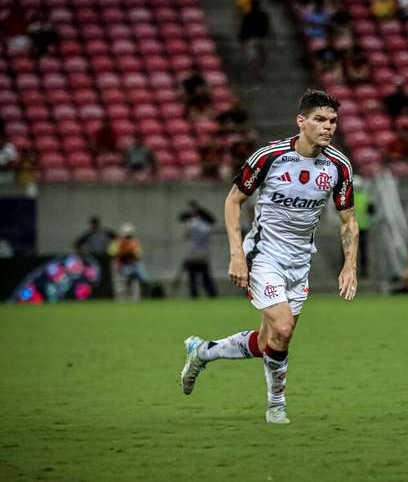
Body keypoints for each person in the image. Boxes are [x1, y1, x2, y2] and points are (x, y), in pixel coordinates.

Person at [179, 90, 359, 425]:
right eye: (320, 119)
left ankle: (202, 351)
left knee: (270, 341)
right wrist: (237, 255)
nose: (328, 127)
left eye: (333, 121)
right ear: (301, 121)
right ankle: (276, 405)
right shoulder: (270, 156)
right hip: (264, 256)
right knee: (285, 327)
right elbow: (233, 201)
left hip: (299, 263)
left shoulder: (339, 166)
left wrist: (350, 265)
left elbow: (349, 220)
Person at [179, 204, 217, 298]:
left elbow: (185, 236)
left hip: (192, 256)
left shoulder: (190, 224)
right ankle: (212, 294)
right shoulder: (206, 226)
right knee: (206, 278)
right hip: (203, 256)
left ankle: (194, 295)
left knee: (193, 279)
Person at [108, 222, 146, 301]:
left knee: (135, 283)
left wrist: (131, 252)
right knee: (120, 284)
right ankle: (121, 299)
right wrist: (122, 250)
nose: (128, 237)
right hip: (120, 265)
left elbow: (139, 254)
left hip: (131, 265)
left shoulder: (134, 242)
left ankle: (135, 299)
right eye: (126, 234)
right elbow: (111, 253)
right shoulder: (117, 242)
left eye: (129, 234)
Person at [240, 0, 272, 77]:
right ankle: (257, 72)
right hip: (260, 39)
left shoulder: (248, 15)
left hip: (253, 39)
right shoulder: (263, 15)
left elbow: (243, 28)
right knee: (258, 57)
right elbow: (268, 27)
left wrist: (242, 39)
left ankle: (257, 71)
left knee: (255, 57)